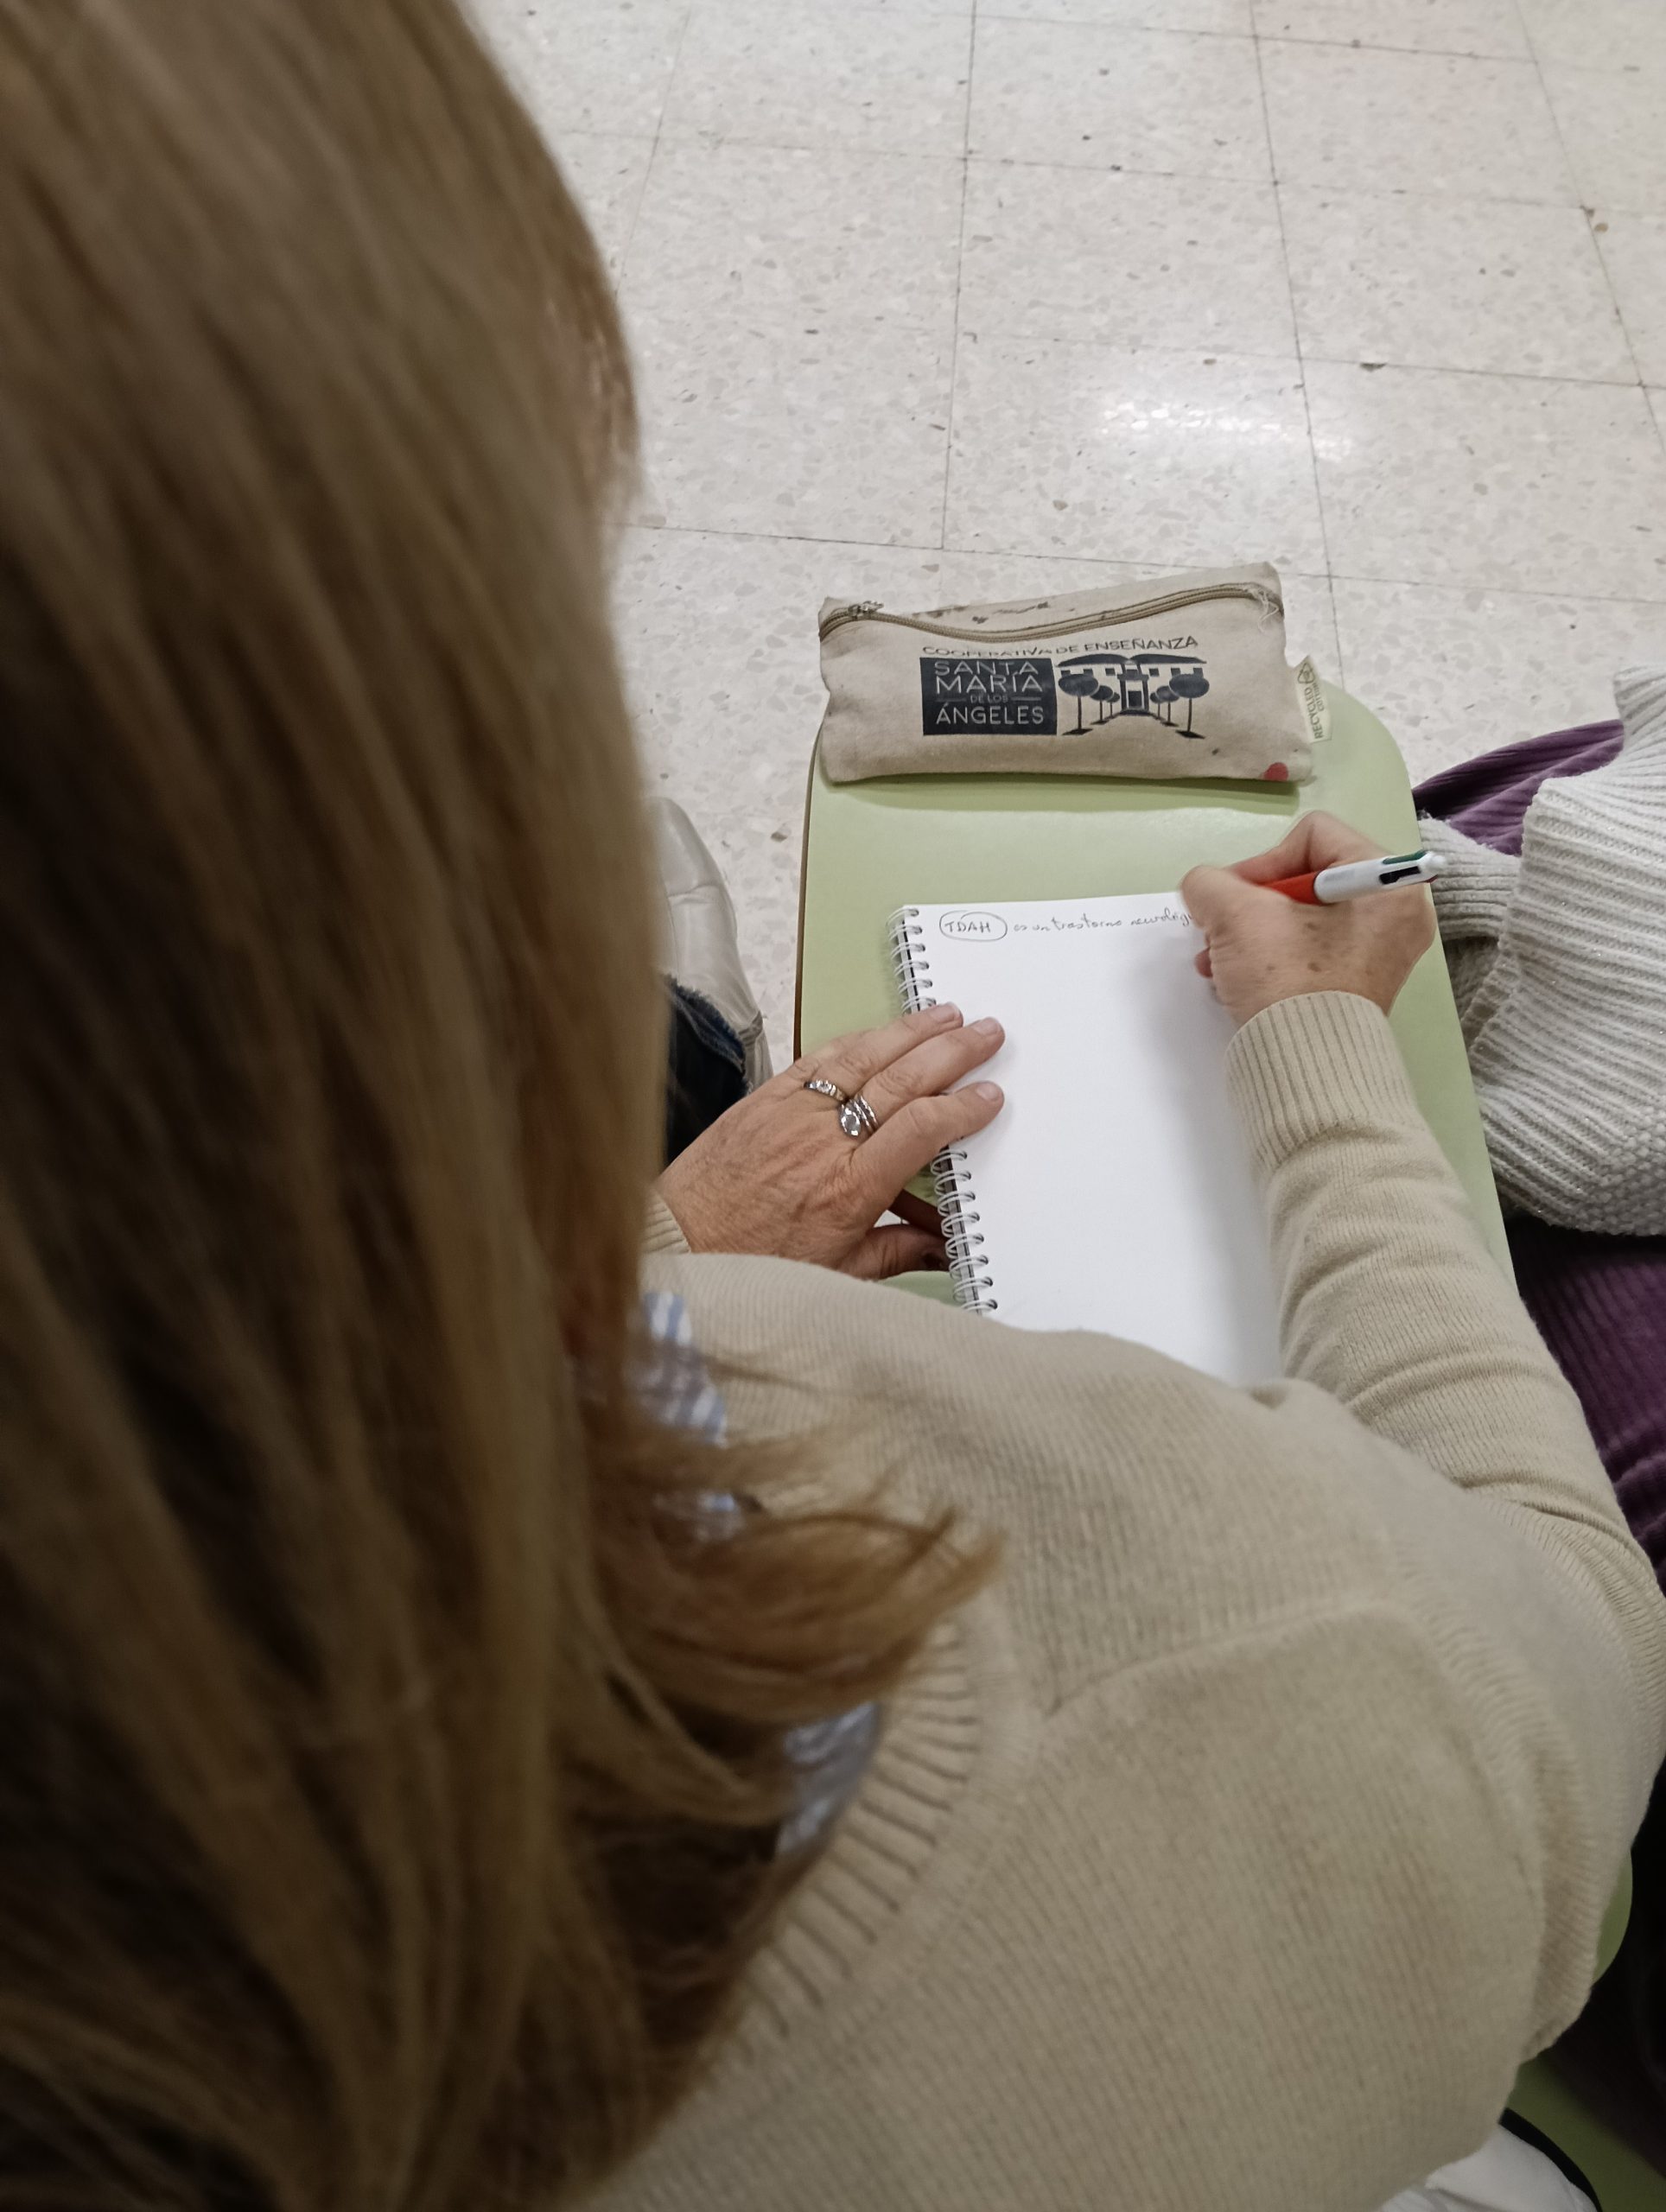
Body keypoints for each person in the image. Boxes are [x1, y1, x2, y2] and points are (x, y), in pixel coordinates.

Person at [0, 10, 1660, 2212]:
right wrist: (1322, 1068)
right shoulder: (1184, 1656)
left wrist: (654, 1269)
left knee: (685, 1059)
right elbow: (1566, 1662)